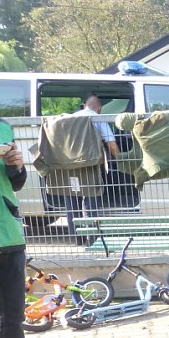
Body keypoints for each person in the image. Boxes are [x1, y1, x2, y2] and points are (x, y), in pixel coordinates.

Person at [0, 111, 60, 338]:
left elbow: (15, 184)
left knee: (11, 310)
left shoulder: (1, 125)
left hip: (7, 234)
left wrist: (16, 165)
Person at [66, 95, 120, 242]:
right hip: (91, 166)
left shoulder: (69, 119)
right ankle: (92, 238)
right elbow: (112, 144)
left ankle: (76, 238)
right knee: (90, 199)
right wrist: (121, 160)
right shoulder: (97, 118)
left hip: (70, 166)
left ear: (85, 105)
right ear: (99, 108)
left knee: (72, 198)